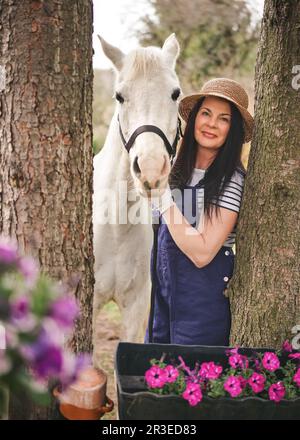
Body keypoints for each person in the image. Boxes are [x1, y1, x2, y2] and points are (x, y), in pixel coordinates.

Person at [144, 78, 254, 346]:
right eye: (205, 113)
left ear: (234, 130)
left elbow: (203, 253)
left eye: (223, 119)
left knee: (192, 384)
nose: (211, 124)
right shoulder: (173, 172)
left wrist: (163, 198)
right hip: (162, 304)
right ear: (193, 119)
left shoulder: (232, 180)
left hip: (203, 310)